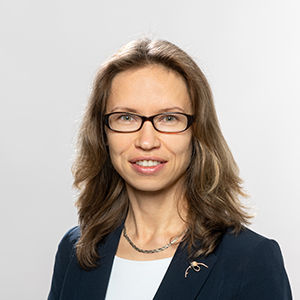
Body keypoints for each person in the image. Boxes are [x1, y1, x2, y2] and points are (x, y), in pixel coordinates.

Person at [48, 37, 292, 300]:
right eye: (126, 117)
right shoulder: (77, 250)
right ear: (102, 132)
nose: (146, 141)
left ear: (197, 132)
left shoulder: (250, 259)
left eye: (169, 118)